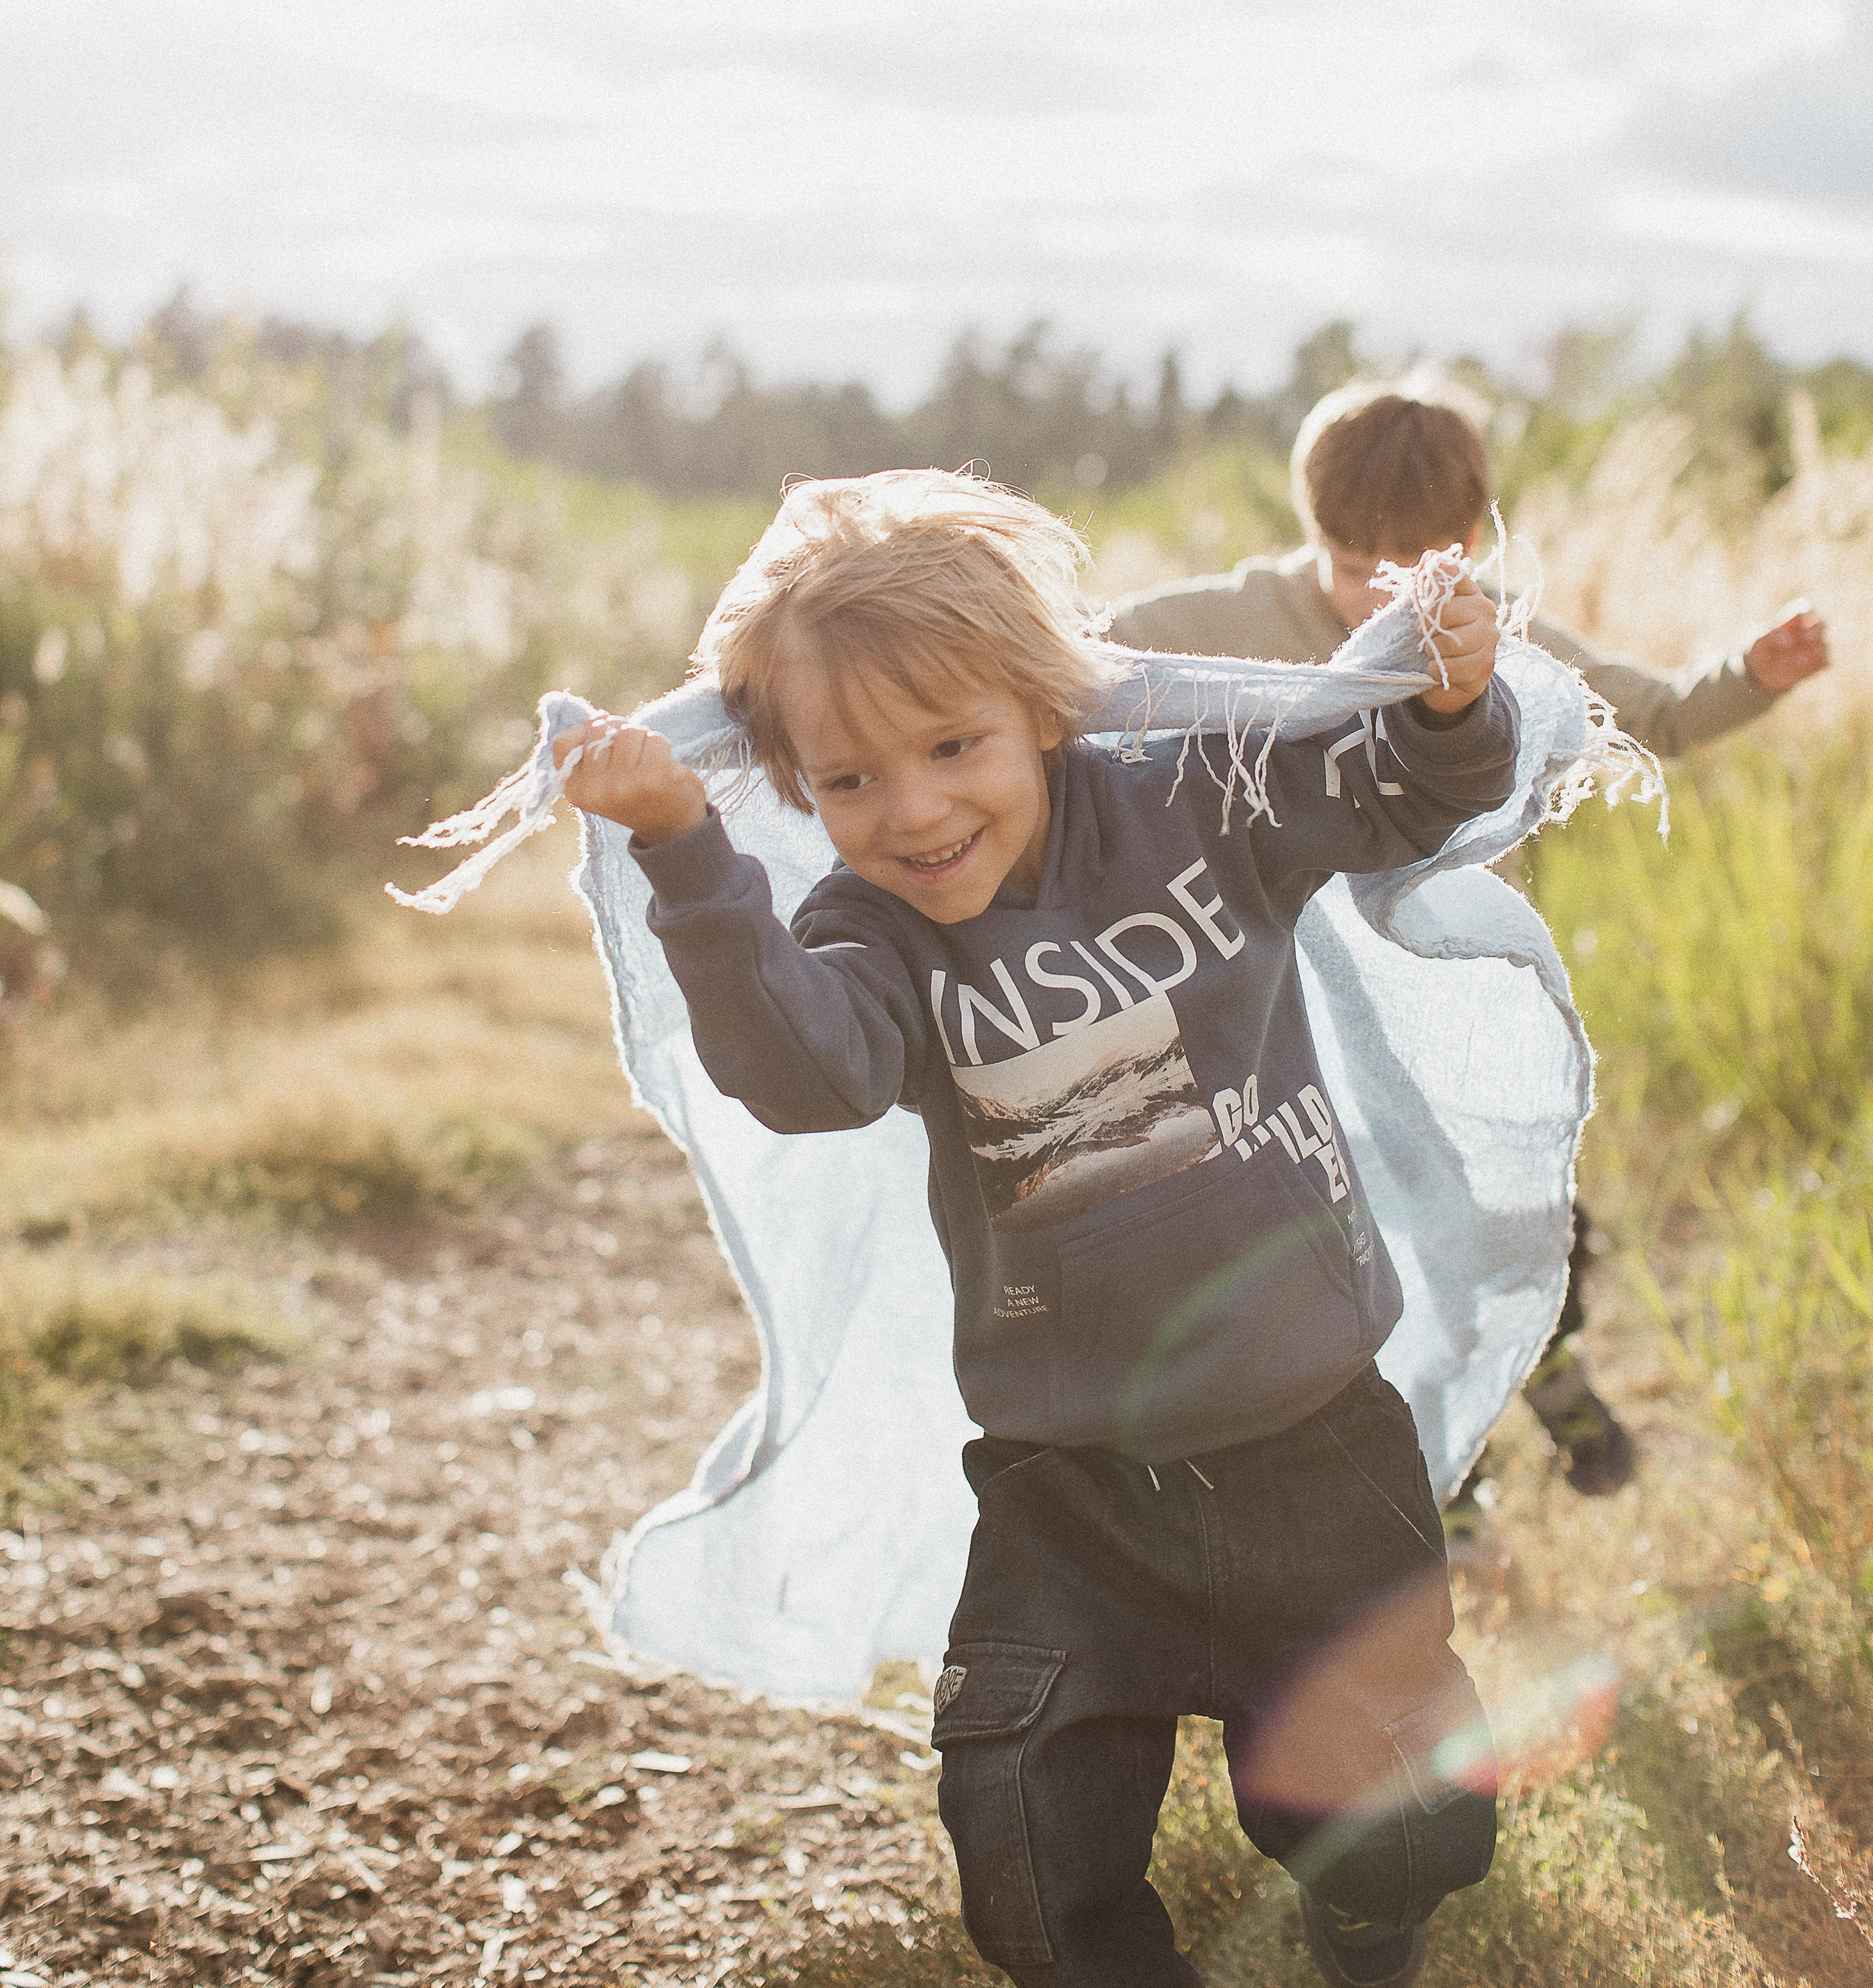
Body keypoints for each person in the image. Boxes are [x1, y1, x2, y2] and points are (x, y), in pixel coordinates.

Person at [556, 469, 1516, 1988]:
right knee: (1021, 1847)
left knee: (1396, 1806)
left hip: (1312, 1437)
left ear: (1047, 708)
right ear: (796, 788)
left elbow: (1398, 793)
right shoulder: (869, 937)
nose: (915, 810)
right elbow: (808, 1075)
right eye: (850, 780)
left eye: (956, 746)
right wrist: (685, 847)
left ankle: (1365, 1917)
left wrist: (1449, 701)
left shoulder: (1197, 802)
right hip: (1070, 1481)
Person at [1109, 377, 1831, 1516]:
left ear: (1469, 549)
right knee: (1360, 1230)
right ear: (1312, 534)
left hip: (1453, 997)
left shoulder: (1494, 626)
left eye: (1421, 576)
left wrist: (1751, 676)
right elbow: (1076, 667)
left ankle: (1553, 1371)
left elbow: (1651, 713)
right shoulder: (1229, 620)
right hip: (1297, 1007)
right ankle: (1452, 1469)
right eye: (1359, 571)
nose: (1388, 603)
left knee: (1510, 1202)